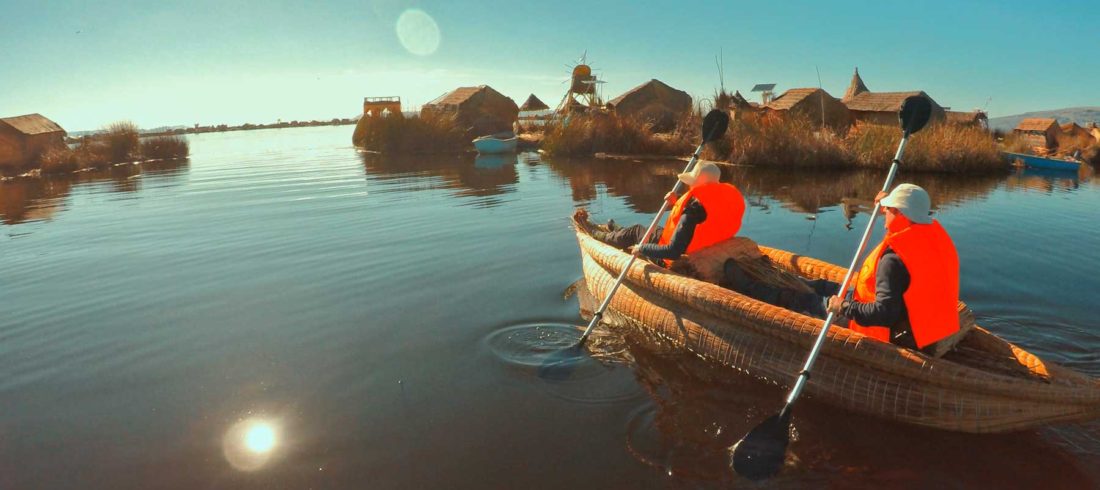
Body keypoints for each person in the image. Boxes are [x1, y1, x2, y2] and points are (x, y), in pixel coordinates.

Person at [825, 183, 961, 350]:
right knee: (823, 286)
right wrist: (888, 202)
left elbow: (884, 313)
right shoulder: (933, 238)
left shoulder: (893, 261)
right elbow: (904, 224)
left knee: (809, 301)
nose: (882, 211)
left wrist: (843, 306)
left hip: (890, 330)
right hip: (927, 328)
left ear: (900, 213)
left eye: (888, 209)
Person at [590, 162, 746, 262]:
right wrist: (676, 201)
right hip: (700, 244)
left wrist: (641, 248)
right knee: (653, 229)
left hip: (674, 258)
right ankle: (617, 230)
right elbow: (705, 217)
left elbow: (673, 252)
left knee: (636, 230)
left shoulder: (692, 212)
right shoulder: (720, 200)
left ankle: (600, 235)